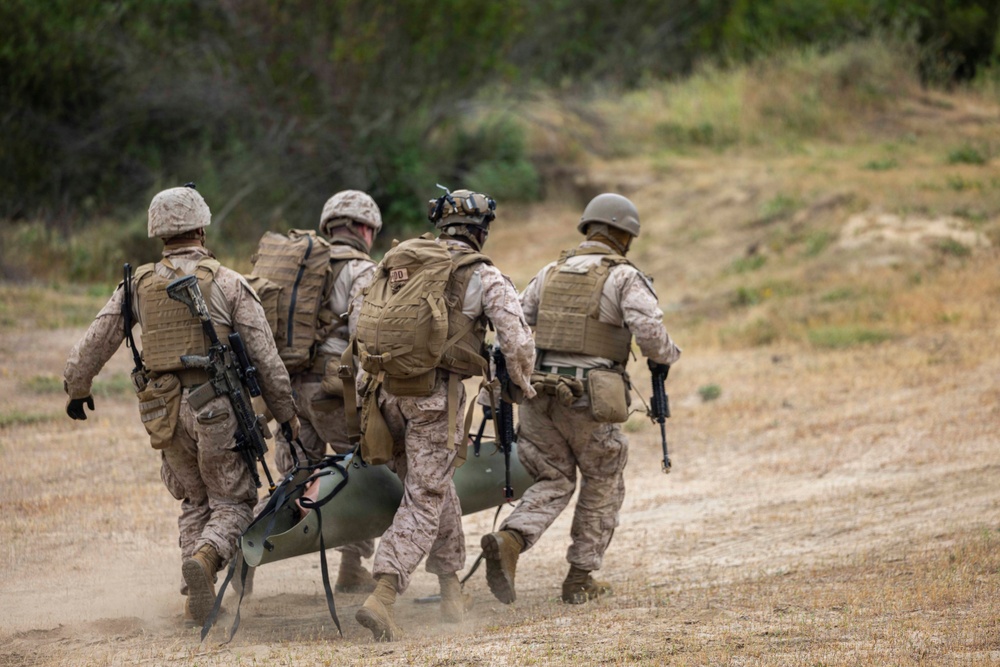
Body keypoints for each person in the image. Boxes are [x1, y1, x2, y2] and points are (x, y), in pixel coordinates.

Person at [62, 185, 300, 625]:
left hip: (161, 412)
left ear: (158, 232)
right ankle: (206, 561)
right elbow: (267, 360)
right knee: (233, 501)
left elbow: (96, 339)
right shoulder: (228, 282)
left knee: (194, 499)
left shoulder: (137, 285)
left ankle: (196, 593)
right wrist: (286, 415)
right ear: (202, 228)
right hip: (215, 406)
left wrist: (77, 388)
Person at [480, 193, 681, 605]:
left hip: (538, 395)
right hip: (589, 398)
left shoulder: (550, 271)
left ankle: (511, 540)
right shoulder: (624, 276)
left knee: (553, 477)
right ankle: (579, 578)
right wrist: (668, 355)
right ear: (623, 235)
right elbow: (651, 336)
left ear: (589, 228)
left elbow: (513, 323)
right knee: (604, 477)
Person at [354, 188, 537, 641]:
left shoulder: (401, 263)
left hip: (383, 397)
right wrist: (522, 385)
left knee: (435, 490)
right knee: (425, 497)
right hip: (433, 402)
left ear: (442, 226)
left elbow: (358, 319)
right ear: (481, 231)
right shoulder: (484, 275)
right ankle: (384, 593)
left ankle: (451, 590)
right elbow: (516, 340)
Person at [257, 189, 382, 594]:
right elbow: (367, 337)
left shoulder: (301, 266)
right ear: (366, 228)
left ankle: (234, 558)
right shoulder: (364, 271)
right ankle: (351, 566)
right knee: (368, 472)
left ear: (330, 225)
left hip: (291, 392)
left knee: (294, 480)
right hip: (337, 393)